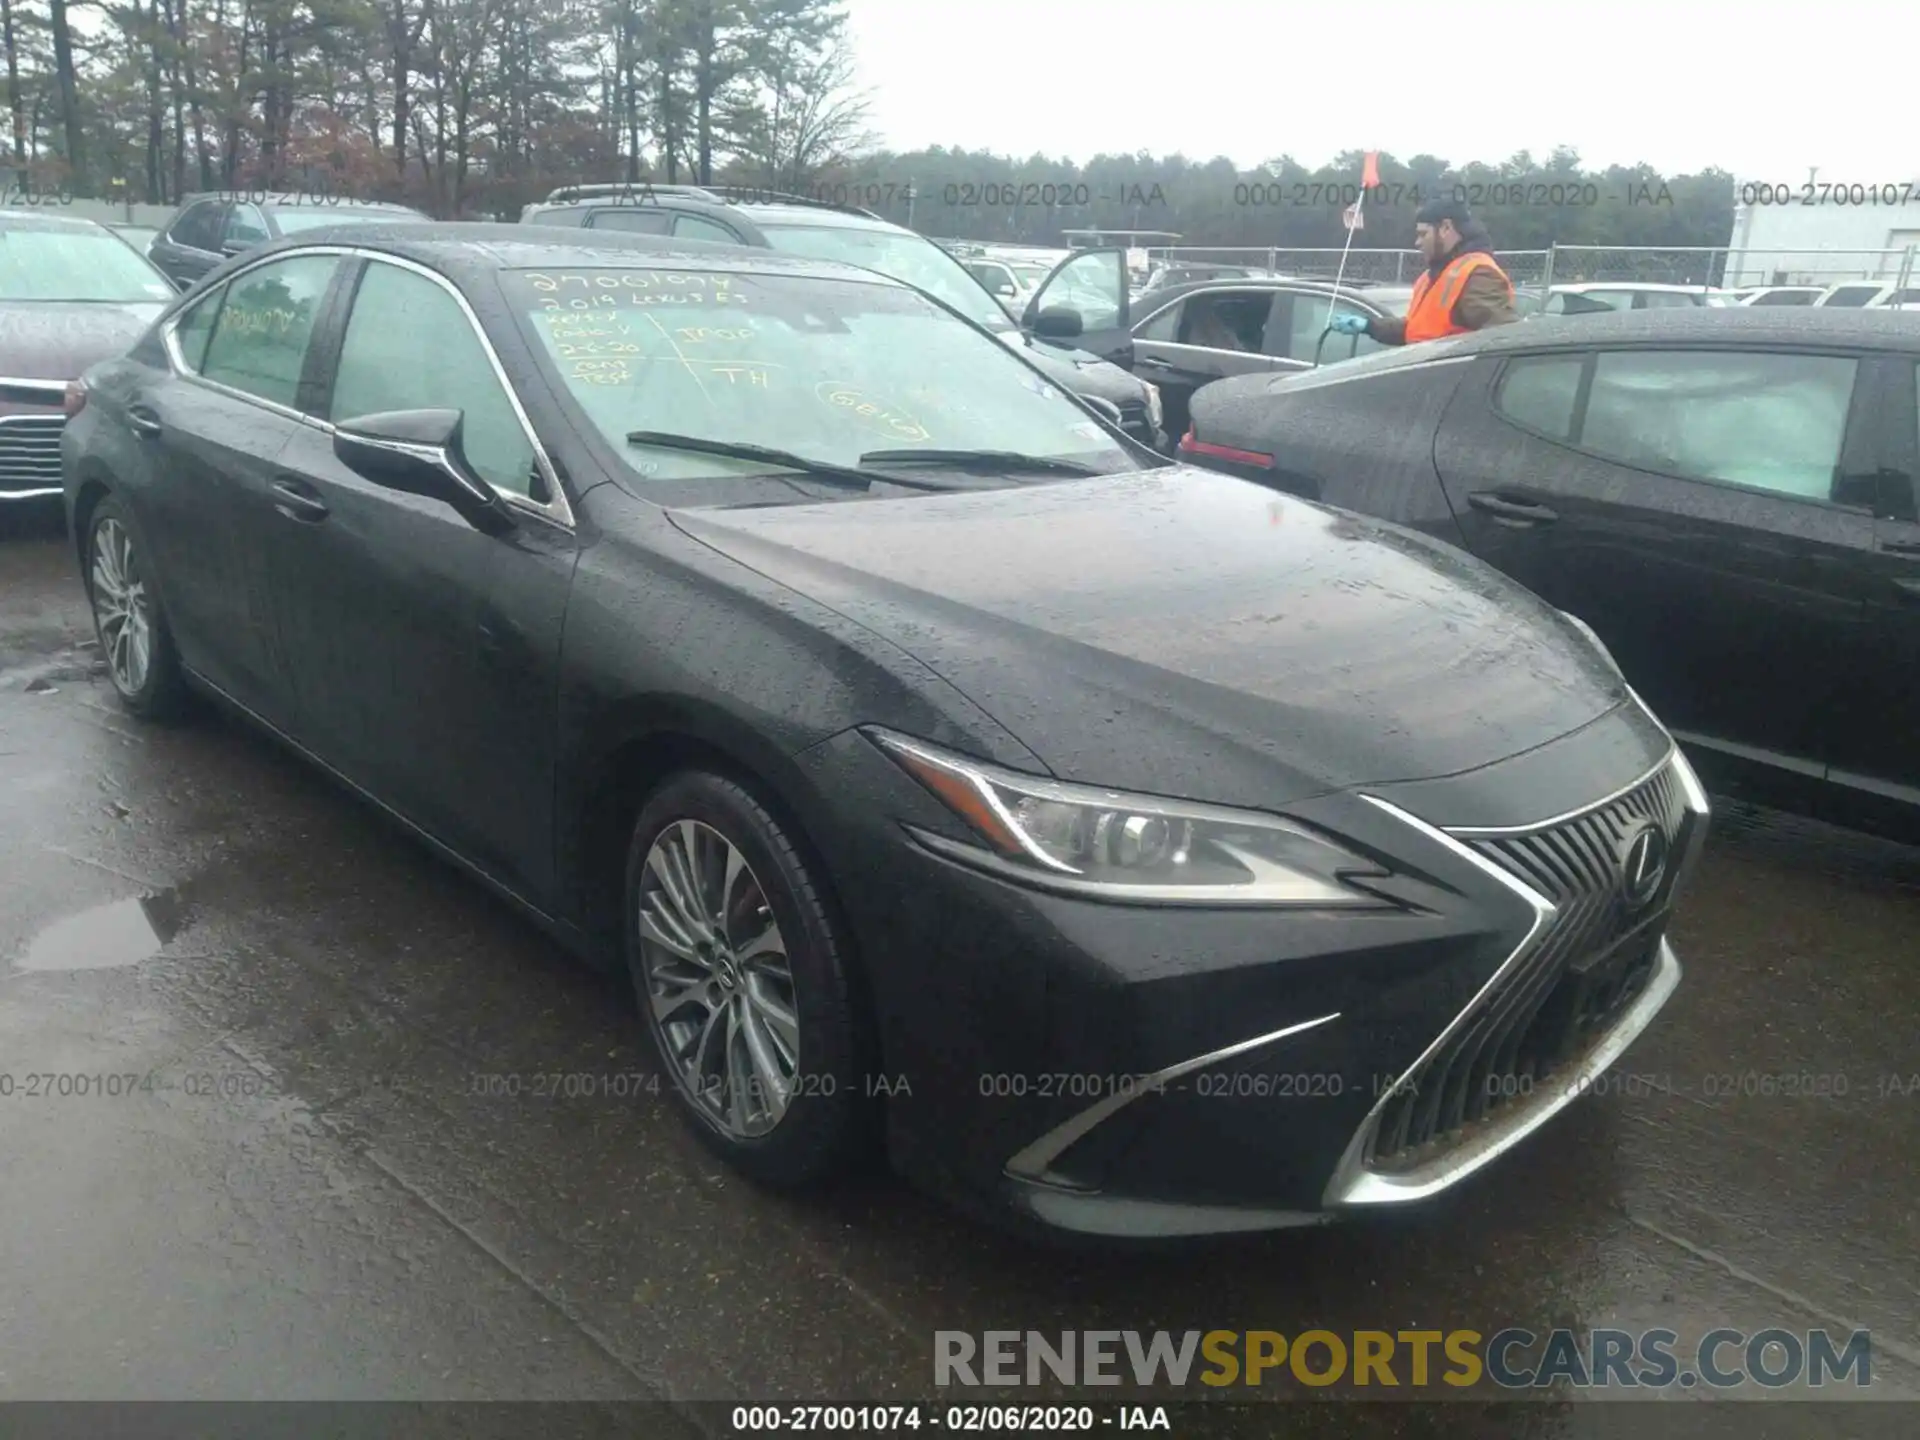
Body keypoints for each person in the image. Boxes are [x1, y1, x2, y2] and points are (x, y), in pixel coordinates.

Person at [1329, 196, 1518, 345]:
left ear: (1445, 228)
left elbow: (1501, 341)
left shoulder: (1477, 274)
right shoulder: (1434, 276)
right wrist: (1370, 326)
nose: (1417, 242)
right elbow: (1416, 330)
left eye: (1423, 234)